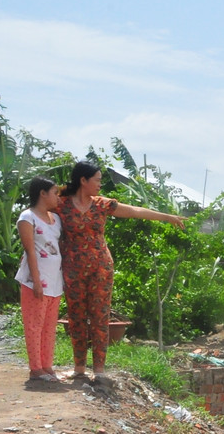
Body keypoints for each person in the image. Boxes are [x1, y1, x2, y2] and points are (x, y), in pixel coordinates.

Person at [56, 160, 185, 382]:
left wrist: (166, 217)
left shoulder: (102, 204)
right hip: (73, 270)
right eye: (96, 180)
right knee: (76, 317)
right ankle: (79, 368)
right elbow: (35, 213)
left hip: (101, 268)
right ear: (83, 180)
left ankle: (99, 370)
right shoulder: (61, 205)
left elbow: (134, 211)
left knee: (99, 316)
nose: (100, 184)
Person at [15, 176, 64, 382]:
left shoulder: (56, 218)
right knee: (34, 325)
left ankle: (47, 365)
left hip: (55, 281)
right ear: (42, 194)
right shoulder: (27, 218)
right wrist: (36, 280)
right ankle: (36, 368)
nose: (58, 197)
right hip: (35, 280)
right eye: (54, 192)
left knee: (49, 325)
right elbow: (30, 251)